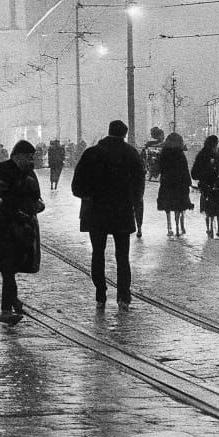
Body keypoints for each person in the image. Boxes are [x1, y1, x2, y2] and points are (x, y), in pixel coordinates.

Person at [71, 118, 146, 308]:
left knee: (98, 253)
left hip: (95, 211)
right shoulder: (131, 154)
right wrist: (133, 202)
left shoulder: (92, 153)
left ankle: (100, 294)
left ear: (109, 131)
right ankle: (123, 295)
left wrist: (90, 195)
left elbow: (77, 186)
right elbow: (139, 185)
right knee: (123, 256)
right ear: (124, 134)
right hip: (122, 212)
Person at [0, 139, 45, 322]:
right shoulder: (5, 172)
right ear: (18, 157)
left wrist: (38, 206)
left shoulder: (29, 173)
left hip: (25, 227)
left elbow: (37, 197)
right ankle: (8, 306)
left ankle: (11, 302)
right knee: (7, 268)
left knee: (12, 267)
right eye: (28, 157)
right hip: (7, 227)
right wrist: (5, 205)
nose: (31, 160)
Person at [191, 133, 219, 237]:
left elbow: (194, 173)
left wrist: (201, 178)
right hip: (217, 184)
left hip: (206, 185)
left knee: (207, 205)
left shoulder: (202, 154)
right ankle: (218, 223)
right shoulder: (218, 153)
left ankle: (209, 227)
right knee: (218, 203)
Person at [156, 131, 192, 236]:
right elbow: (185, 170)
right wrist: (188, 182)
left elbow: (160, 168)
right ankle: (178, 226)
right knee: (179, 205)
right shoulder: (180, 154)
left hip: (167, 182)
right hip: (179, 183)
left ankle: (169, 227)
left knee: (167, 206)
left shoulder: (164, 153)